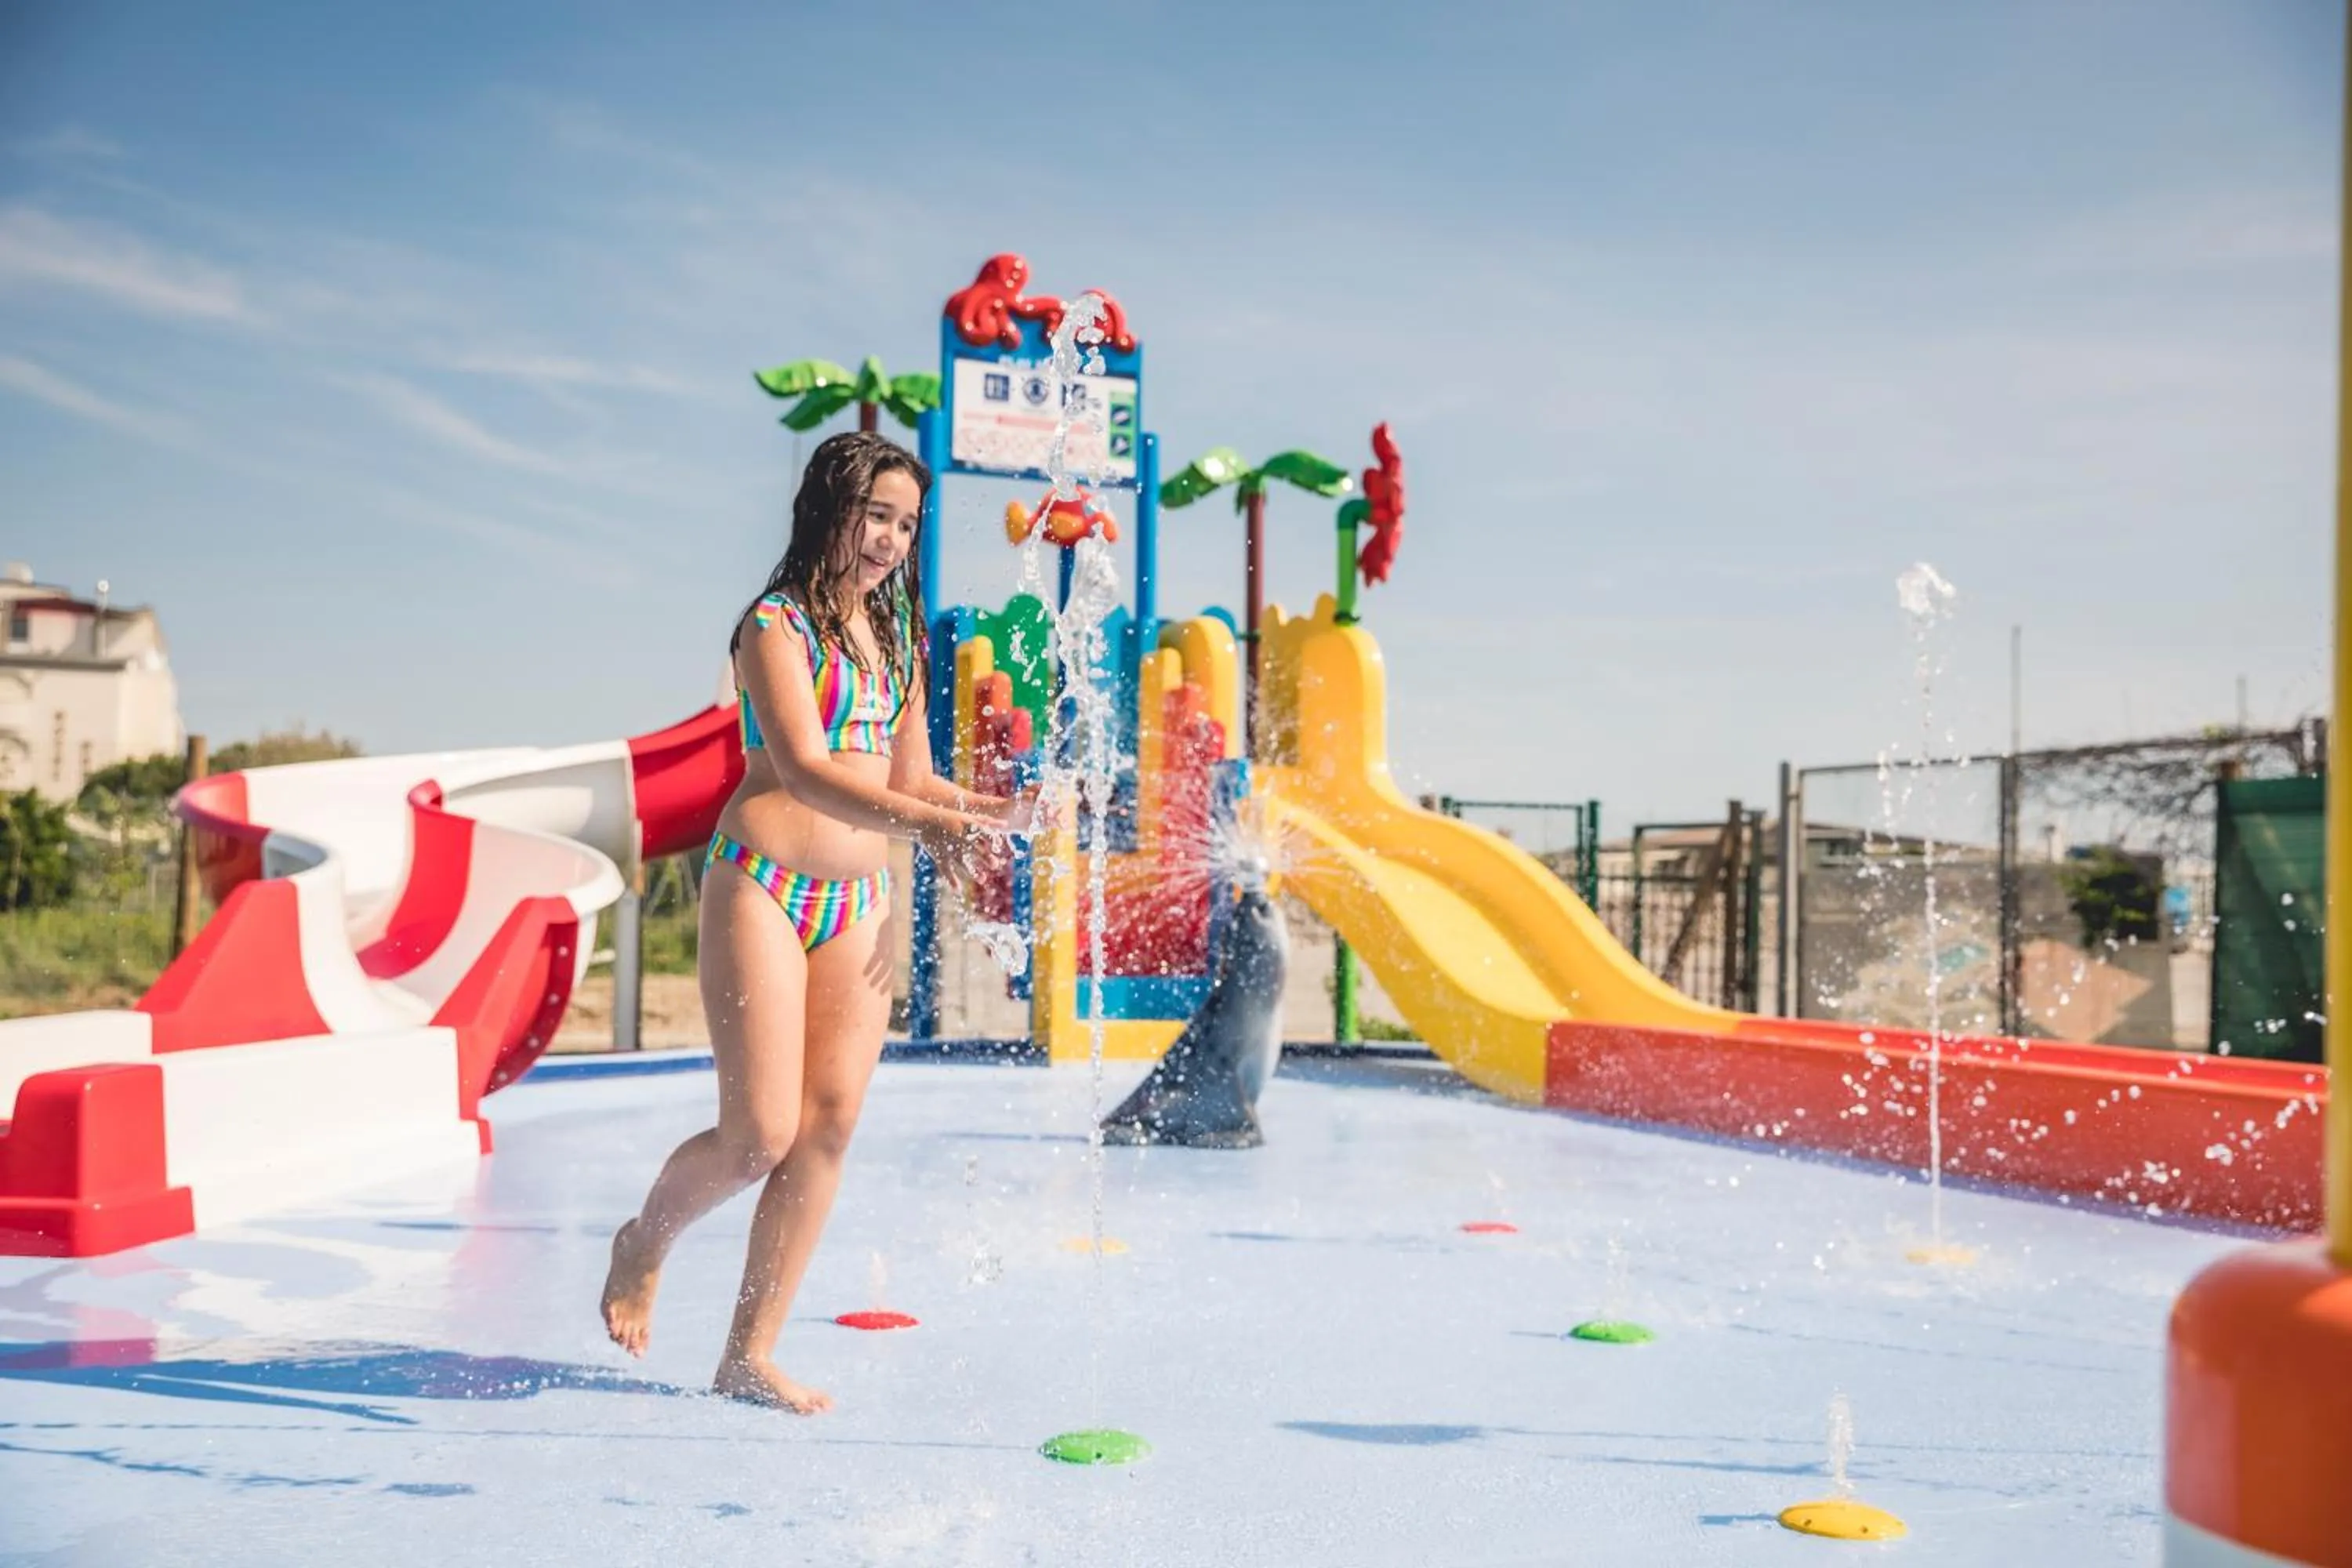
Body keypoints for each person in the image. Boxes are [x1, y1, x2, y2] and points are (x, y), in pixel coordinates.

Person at [601, 430, 1032, 1412]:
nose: (889, 538)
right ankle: (644, 1241)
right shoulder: (774, 626)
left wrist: (996, 815)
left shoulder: (901, 634)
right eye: (876, 514)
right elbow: (801, 766)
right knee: (759, 1132)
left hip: (857, 904)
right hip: (763, 880)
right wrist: (932, 825)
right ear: (829, 509)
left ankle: (747, 1353)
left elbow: (910, 777)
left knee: (827, 1126)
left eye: (907, 523)